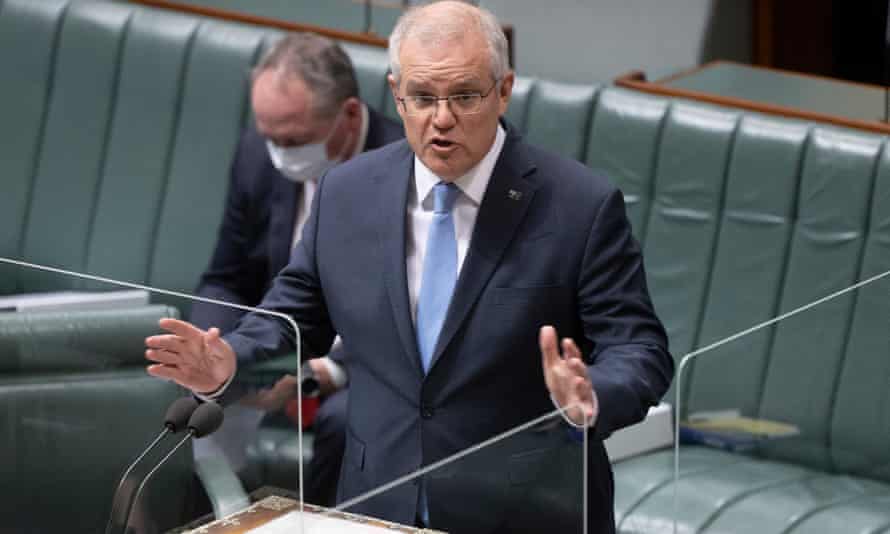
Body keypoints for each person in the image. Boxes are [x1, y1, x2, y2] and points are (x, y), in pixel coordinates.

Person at [147, 2, 673, 532]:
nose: (441, 118)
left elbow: (640, 350)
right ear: (397, 94)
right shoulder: (347, 192)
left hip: (529, 510)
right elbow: (293, 310)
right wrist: (227, 362)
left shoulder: (579, 205)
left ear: (504, 89)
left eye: (465, 96)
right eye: (422, 97)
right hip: (380, 504)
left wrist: (592, 394)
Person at [188, 32, 403, 506]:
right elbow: (226, 277)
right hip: (274, 348)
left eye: (294, 140)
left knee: (347, 421)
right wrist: (213, 345)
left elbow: (410, 314)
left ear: (348, 115)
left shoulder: (405, 166)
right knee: (179, 391)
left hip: (372, 371)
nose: (280, 153)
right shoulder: (257, 154)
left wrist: (319, 373)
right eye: (271, 138)